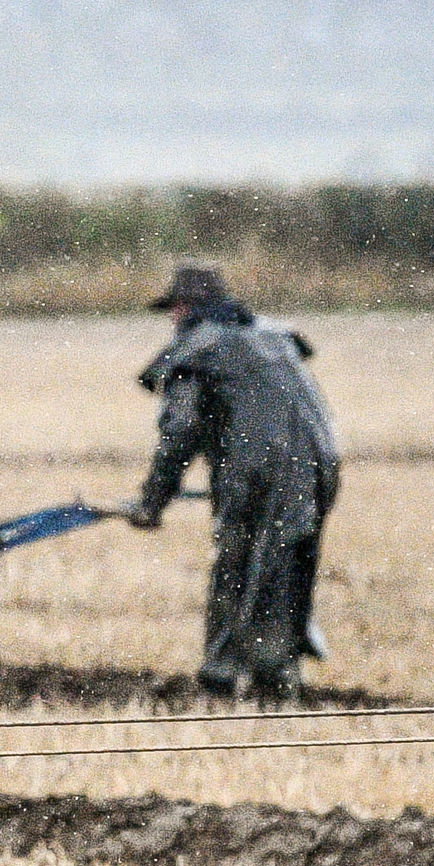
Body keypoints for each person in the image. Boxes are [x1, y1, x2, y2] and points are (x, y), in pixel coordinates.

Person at [126, 264, 342, 700]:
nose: (172, 318)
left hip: (260, 467)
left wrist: (151, 501)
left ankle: (222, 676)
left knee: (238, 564)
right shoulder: (272, 338)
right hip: (322, 461)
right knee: (287, 566)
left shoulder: (196, 350)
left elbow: (179, 435)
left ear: (186, 309)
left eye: (175, 309)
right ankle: (277, 673)